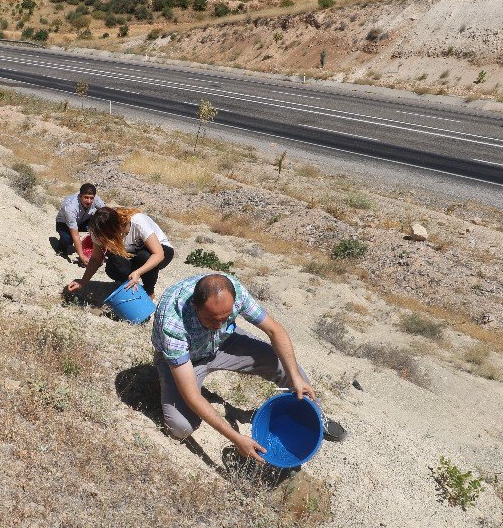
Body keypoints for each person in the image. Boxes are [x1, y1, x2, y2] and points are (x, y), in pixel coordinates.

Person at [152, 273, 345, 462]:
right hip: (188, 360)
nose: (219, 324)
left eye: (225, 317)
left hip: (222, 343)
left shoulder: (235, 292)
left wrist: (294, 377)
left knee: (285, 366)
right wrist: (235, 438)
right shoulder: (173, 321)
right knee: (181, 427)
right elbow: (192, 396)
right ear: (195, 307)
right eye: (212, 319)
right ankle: (169, 382)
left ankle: (315, 415)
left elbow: (274, 330)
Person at [66, 206, 174, 300]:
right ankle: (128, 287)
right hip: (132, 256)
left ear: (115, 228)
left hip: (161, 252)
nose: (104, 240)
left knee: (144, 256)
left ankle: (149, 292)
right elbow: (96, 259)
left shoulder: (137, 222)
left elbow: (158, 254)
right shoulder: (98, 231)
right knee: (114, 264)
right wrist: (83, 282)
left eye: (106, 236)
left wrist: (138, 272)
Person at [55, 183, 105, 265]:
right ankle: (61, 248)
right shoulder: (70, 207)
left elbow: (106, 212)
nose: (89, 201)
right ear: (80, 196)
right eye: (86, 198)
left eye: (91, 198)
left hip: (83, 220)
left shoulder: (95, 198)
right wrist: (81, 256)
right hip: (64, 224)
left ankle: (95, 248)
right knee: (68, 239)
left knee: (102, 221)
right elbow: (75, 234)